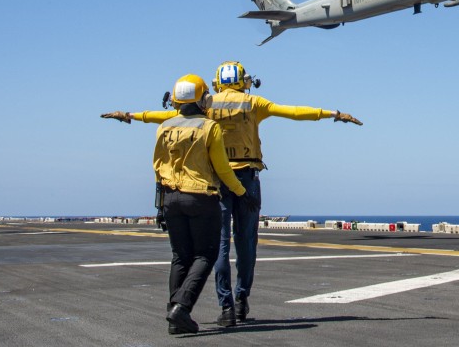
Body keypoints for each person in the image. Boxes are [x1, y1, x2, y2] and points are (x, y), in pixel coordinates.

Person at [101, 60, 361, 327]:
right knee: (247, 243)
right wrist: (332, 113)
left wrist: (131, 115)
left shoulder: (207, 106)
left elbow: (166, 116)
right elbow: (293, 112)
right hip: (247, 178)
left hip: (216, 181)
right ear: (242, 80)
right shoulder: (253, 103)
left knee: (221, 244)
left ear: (217, 83)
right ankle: (241, 300)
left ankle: (225, 308)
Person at [152, 73, 246, 335]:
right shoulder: (209, 127)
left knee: (180, 257)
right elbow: (223, 169)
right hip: (201, 198)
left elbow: (158, 168)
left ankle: (174, 316)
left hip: (170, 199)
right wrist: (241, 192)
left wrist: (160, 206)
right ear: (203, 99)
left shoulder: (164, 127)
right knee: (206, 255)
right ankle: (181, 308)